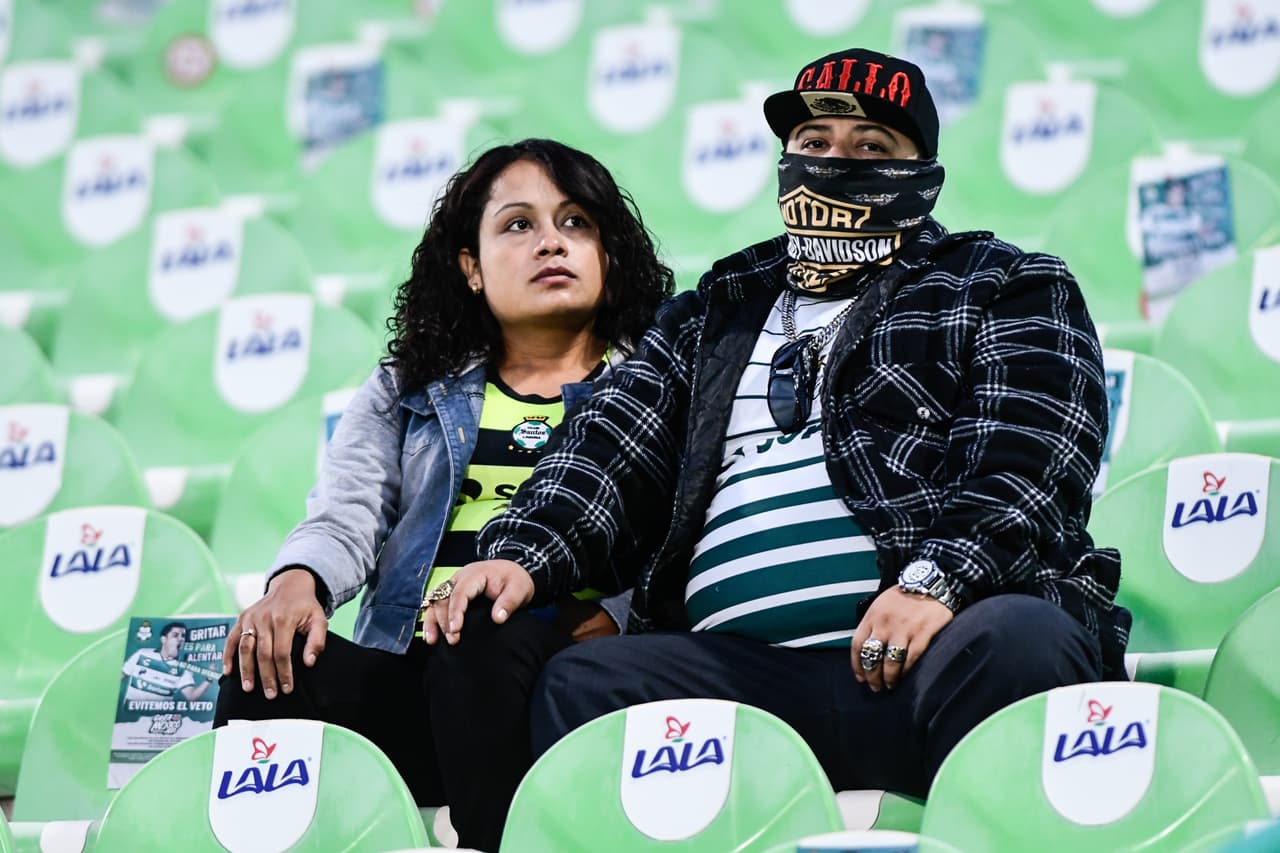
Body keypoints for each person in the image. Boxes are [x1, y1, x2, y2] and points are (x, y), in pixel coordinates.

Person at [429, 49, 1131, 799]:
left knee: (1023, 642)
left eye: (870, 149)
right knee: (583, 683)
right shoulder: (714, 314)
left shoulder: (1000, 282)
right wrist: (523, 556)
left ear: (921, 172)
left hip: (928, 662)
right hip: (734, 685)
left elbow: (1031, 460)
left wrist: (937, 580)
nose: (836, 162)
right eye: (815, 144)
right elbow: (605, 453)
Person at [215, 138, 673, 851]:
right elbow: (347, 512)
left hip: (567, 679)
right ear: (470, 266)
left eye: (577, 222)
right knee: (265, 660)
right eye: (518, 224)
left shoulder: (657, 384)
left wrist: (618, 613)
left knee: (481, 620)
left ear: (608, 253)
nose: (551, 241)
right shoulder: (409, 388)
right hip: (419, 675)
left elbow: (682, 530)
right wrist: (296, 582)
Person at [122, 622, 212, 703]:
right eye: (175, 635)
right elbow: (121, 676)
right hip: (131, 718)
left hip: (156, 719)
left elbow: (191, 696)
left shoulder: (183, 668)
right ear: (164, 640)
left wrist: (208, 679)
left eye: (183, 636)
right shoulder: (142, 654)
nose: (181, 639)